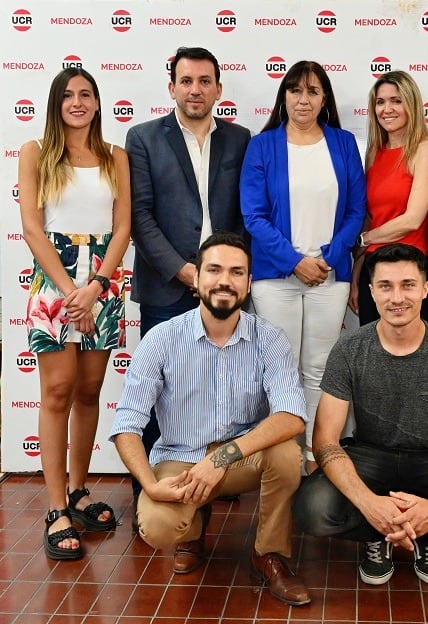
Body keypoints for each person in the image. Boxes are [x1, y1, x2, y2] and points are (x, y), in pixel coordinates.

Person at [293, 244, 428, 587]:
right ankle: (379, 531)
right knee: (311, 509)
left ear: (426, 289)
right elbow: (325, 441)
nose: (397, 297)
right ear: (371, 291)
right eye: (385, 286)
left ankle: (427, 535)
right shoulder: (350, 349)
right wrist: (369, 505)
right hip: (369, 456)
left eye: (408, 285)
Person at [110, 232, 311, 606]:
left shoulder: (269, 339)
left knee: (286, 453)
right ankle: (192, 531)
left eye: (237, 272)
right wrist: (150, 486)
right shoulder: (161, 339)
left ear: (249, 283)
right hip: (181, 459)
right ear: (197, 278)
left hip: (240, 458)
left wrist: (220, 459)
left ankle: (269, 554)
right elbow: (127, 425)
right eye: (215, 270)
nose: (225, 281)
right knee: (156, 527)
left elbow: (292, 416)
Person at [125, 46, 251, 500]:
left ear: (218, 87)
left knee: (225, 388)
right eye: (186, 81)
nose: (195, 89)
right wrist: (184, 271)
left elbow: (244, 213)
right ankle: (151, 493)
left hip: (225, 288)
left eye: (204, 81)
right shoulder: (142, 138)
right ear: (171, 87)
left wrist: (226, 273)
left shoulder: (241, 139)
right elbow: (140, 217)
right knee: (159, 392)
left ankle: (218, 481)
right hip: (166, 284)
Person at [18, 67, 131, 560]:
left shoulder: (115, 157)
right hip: (55, 281)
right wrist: (71, 294)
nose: (78, 103)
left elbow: (123, 226)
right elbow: (32, 228)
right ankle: (55, 506)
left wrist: (97, 286)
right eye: (69, 96)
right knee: (58, 390)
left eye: (87, 95)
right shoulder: (36, 153)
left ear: (98, 103)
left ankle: (80, 491)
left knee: (89, 390)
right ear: (55, 103)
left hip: (104, 281)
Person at [240, 60, 366, 474]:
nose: (303, 99)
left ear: (324, 98)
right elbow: (253, 216)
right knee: (283, 369)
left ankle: (315, 458)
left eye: (312, 91)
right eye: (295, 90)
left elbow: (355, 210)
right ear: (284, 97)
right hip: (276, 278)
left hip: (330, 276)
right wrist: (295, 262)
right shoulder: (263, 146)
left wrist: (327, 259)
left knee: (320, 369)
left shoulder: (344, 143)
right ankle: (285, 460)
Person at [348, 70, 428, 325]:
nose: (387, 109)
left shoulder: (424, 150)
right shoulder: (373, 154)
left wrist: (364, 239)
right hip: (374, 270)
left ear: (411, 104)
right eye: (380, 102)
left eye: (396, 101)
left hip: (410, 269)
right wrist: (357, 274)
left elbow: (412, 219)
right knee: (373, 354)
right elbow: (371, 217)